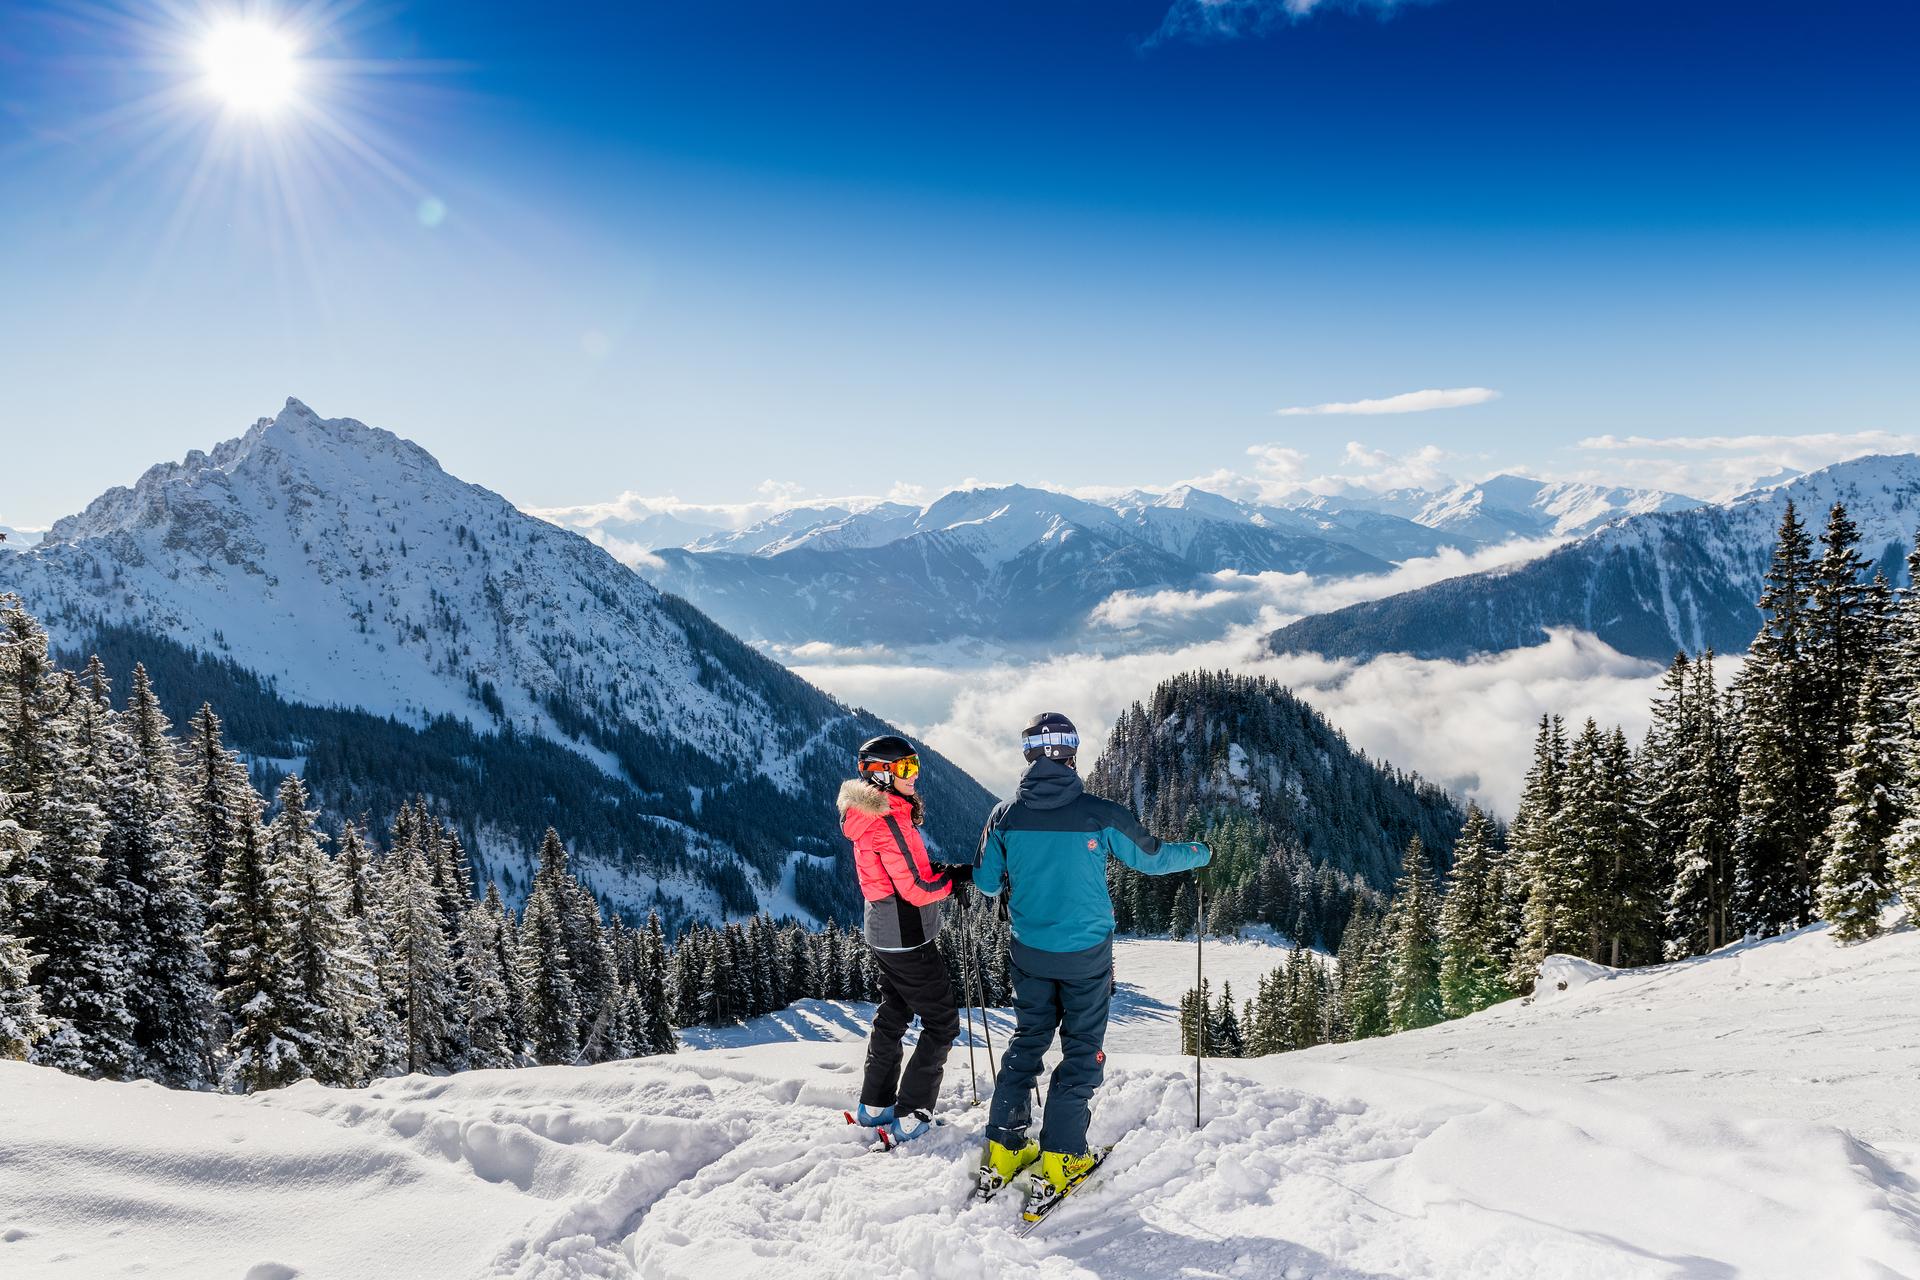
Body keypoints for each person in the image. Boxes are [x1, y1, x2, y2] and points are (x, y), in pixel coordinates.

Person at [974, 711, 1211, 1216]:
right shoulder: (1099, 813)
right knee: (1081, 1050)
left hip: (1028, 953)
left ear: (1028, 755)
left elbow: (987, 883)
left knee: (1027, 1042)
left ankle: (1005, 1147)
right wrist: (1200, 853)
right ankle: (1063, 1158)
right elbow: (1152, 858)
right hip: (1085, 956)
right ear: (1072, 753)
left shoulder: (1003, 816)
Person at [838, 733, 968, 1146]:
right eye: (906, 768)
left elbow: (902, 871)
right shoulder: (889, 821)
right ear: (880, 774)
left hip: (882, 930)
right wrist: (953, 879)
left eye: (916, 766)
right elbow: (915, 889)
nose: (915, 776)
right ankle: (911, 1116)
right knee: (942, 1023)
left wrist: (941, 871)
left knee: (894, 1011)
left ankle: (875, 1106)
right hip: (906, 934)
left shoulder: (870, 813)